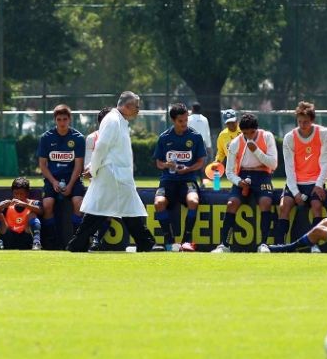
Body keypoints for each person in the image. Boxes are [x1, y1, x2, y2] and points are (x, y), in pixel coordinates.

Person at [66, 91, 157, 253]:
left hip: (118, 176)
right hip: (112, 176)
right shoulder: (112, 120)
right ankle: (145, 243)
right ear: (127, 106)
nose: (138, 110)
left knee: (122, 211)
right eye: (136, 106)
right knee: (101, 212)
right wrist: (93, 170)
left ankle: (146, 243)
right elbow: (101, 146)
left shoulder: (120, 120)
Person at [211, 113, 278, 253]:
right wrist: (239, 181)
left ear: (257, 129)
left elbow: (273, 164)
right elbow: (229, 172)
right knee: (231, 203)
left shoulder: (267, 137)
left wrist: (257, 151)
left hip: (263, 174)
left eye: (252, 132)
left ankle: (263, 244)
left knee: (266, 202)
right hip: (242, 175)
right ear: (241, 131)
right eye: (245, 133)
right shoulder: (235, 142)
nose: (249, 136)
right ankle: (224, 245)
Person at [276, 101, 327, 251]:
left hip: (315, 181)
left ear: (312, 120)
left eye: (306, 122)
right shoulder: (289, 137)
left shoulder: (323, 133)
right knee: (284, 206)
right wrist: (295, 193)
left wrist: (319, 184)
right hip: (295, 182)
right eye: (299, 121)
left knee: (316, 206)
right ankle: (279, 245)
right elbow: (289, 166)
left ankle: (315, 245)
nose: (302, 125)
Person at [152, 103, 207, 252]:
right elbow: (158, 163)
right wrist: (166, 165)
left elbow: (201, 162)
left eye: (186, 120)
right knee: (158, 203)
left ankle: (186, 241)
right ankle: (170, 242)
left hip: (187, 181)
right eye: (180, 121)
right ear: (173, 120)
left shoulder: (195, 137)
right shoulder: (164, 138)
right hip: (168, 181)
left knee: (193, 201)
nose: (184, 124)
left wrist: (188, 169)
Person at [36, 104, 86, 248]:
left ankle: (78, 240)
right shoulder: (46, 138)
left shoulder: (78, 138)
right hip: (52, 180)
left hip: (74, 180)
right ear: (55, 120)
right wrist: (53, 182)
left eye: (65, 119)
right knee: (47, 204)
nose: (62, 123)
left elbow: (78, 165)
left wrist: (70, 185)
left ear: (70, 119)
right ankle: (52, 242)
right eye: (59, 119)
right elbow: (43, 165)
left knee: (79, 203)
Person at [0, 177, 43, 250]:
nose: (18, 196)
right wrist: (2, 206)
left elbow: (41, 211)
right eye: (16, 194)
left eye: (21, 194)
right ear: (12, 193)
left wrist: (25, 205)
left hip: (26, 235)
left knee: (32, 214)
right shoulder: (8, 203)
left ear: (27, 193)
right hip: (9, 236)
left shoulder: (33, 203)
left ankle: (36, 243)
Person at [84, 106, 113, 252]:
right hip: (97, 182)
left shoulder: (122, 137)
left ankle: (96, 238)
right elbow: (88, 166)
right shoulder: (91, 138)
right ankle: (93, 238)